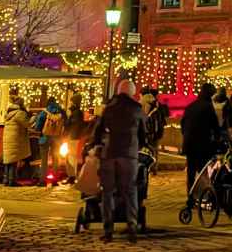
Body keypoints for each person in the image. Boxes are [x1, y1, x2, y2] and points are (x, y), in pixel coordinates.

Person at [91, 79, 147, 243]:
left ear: (117, 91)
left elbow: (97, 131)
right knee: (130, 191)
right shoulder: (137, 109)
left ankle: (108, 230)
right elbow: (143, 135)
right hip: (129, 155)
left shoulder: (109, 108)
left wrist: (96, 145)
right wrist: (138, 147)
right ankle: (132, 228)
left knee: (107, 192)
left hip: (109, 154)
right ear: (132, 93)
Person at [180, 83, 221, 196]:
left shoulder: (191, 106)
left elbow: (183, 125)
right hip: (202, 144)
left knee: (191, 172)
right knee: (203, 171)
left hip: (189, 144)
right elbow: (215, 125)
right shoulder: (208, 106)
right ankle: (205, 194)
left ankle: (191, 196)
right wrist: (218, 139)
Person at [34, 96, 68, 187]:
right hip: (56, 138)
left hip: (45, 138)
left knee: (44, 160)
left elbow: (38, 125)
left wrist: (39, 130)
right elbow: (66, 124)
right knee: (55, 159)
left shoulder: (45, 112)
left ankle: (42, 180)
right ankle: (55, 180)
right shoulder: (61, 112)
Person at [2, 93, 32, 186]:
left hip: (8, 138)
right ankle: (12, 181)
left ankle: (6, 180)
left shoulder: (9, 113)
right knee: (13, 160)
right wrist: (34, 118)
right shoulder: (19, 113)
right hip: (15, 138)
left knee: (8, 161)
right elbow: (27, 123)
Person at [141, 88, 168, 173]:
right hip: (156, 132)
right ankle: (154, 167)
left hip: (149, 132)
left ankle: (149, 167)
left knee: (148, 149)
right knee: (154, 149)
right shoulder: (157, 106)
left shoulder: (144, 105)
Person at [64, 94, 88, 183]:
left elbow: (71, 125)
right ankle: (71, 175)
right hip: (73, 136)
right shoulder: (76, 113)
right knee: (70, 156)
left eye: (72, 101)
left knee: (71, 157)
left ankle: (72, 176)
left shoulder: (76, 113)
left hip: (73, 137)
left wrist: (68, 121)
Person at [212, 87, 232, 151]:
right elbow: (230, 113)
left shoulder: (214, 100)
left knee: (218, 136)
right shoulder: (226, 101)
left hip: (217, 123)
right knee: (226, 136)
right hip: (223, 123)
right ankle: (230, 148)